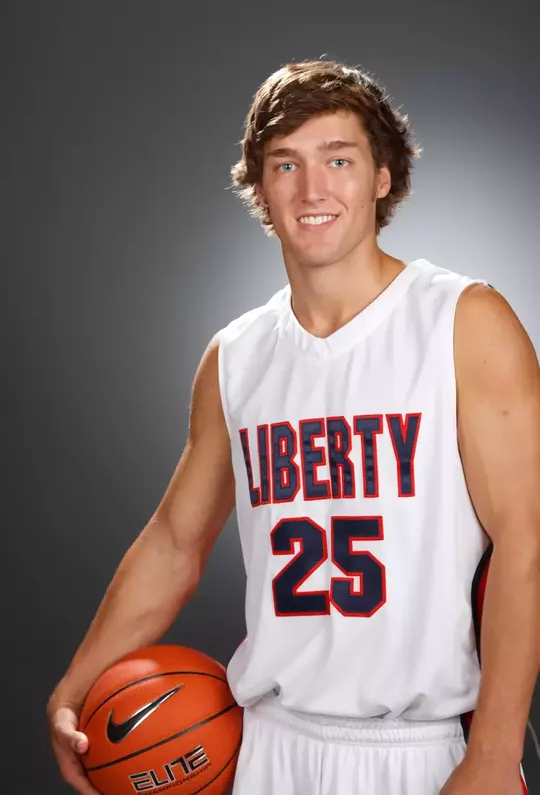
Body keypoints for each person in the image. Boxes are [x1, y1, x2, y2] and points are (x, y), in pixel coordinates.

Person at [47, 59, 539, 795]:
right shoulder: (236, 355)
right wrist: (71, 691)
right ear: (262, 188)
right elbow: (176, 541)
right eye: (287, 164)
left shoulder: (463, 321)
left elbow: (526, 541)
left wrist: (496, 754)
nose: (313, 190)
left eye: (337, 159)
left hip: (418, 748)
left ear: (381, 177)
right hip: (268, 747)